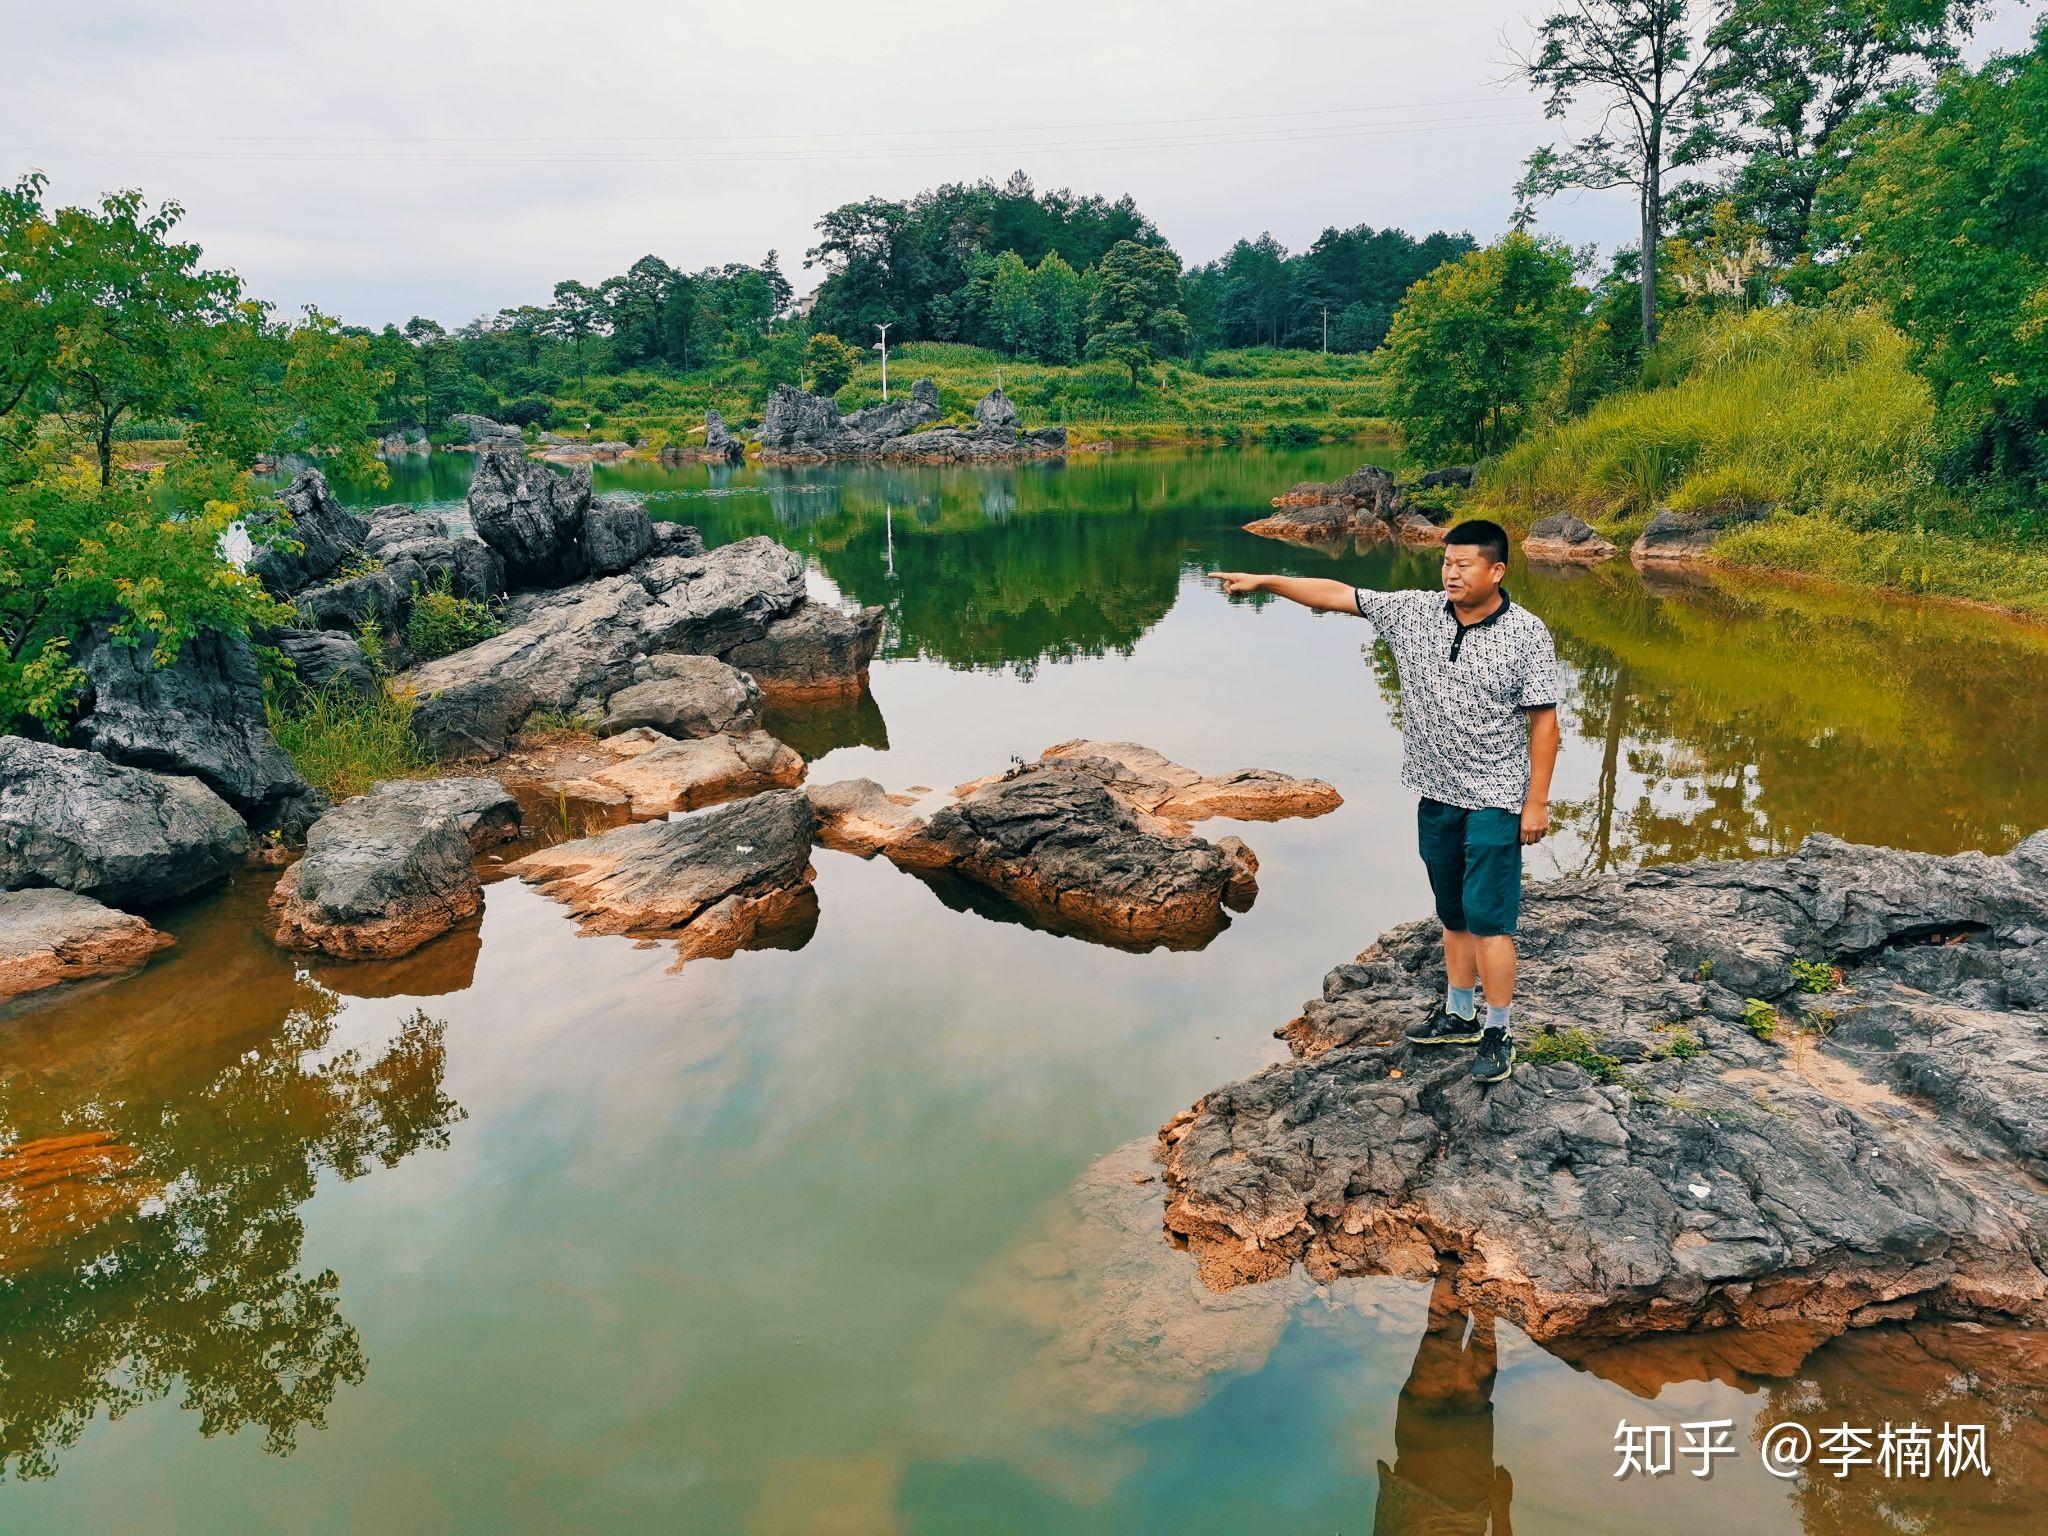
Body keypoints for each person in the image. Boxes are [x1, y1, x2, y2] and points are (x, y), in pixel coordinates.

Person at [1210, 520, 1561, 1083]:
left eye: (1463, 564)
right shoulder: (1414, 613)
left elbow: (1545, 724)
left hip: (1497, 798)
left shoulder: (1527, 634)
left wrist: (1536, 804)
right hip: (1436, 794)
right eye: (1446, 562)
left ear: (1496, 571)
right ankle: (1459, 1014)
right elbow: (1335, 594)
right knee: (1452, 915)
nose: (1450, 572)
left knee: (1491, 921)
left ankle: (1498, 1030)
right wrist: (1267, 580)